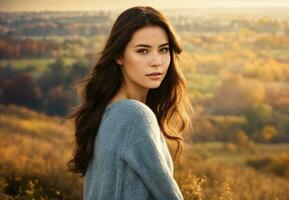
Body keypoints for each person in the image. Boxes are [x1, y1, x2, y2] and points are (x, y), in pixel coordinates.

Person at [66, 6, 193, 200]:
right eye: (143, 51)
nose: (156, 61)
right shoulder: (134, 116)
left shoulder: (107, 112)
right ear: (119, 56)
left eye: (163, 50)